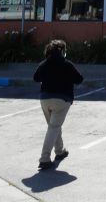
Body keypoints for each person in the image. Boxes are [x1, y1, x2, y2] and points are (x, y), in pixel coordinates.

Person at [33, 39, 84, 171]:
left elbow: (36, 78)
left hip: (44, 100)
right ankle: (44, 159)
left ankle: (60, 151)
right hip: (62, 100)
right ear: (62, 51)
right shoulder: (67, 64)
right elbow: (79, 79)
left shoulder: (43, 64)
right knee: (54, 127)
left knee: (54, 126)